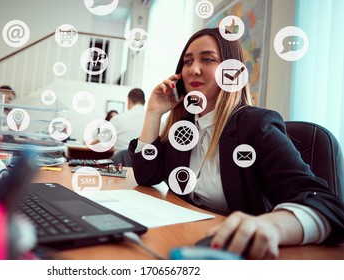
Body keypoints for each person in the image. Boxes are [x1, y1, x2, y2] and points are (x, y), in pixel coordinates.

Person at [129, 28, 344, 259]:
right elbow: (147, 175)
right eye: (187, 62)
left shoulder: (255, 125)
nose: (194, 69)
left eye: (208, 59)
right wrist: (153, 113)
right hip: (188, 237)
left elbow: (329, 205)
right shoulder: (183, 127)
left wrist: (273, 225)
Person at [110, 88, 146, 152]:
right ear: (144, 102)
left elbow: (100, 140)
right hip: (146, 161)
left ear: (129, 101)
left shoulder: (117, 119)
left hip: (121, 160)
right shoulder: (159, 122)